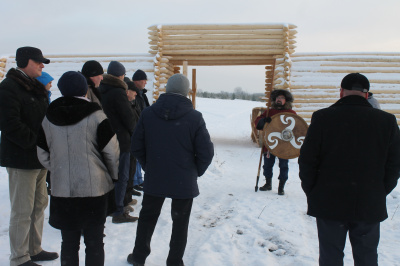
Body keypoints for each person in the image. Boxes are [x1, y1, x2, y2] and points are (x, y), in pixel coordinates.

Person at [298, 73, 400, 266]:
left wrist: (313, 190)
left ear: (341, 92)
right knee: (367, 257)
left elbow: (307, 160)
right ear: (366, 94)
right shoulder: (386, 121)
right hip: (369, 201)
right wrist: (379, 190)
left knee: (330, 257)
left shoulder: (322, 117)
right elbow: (394, 164)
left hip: (329, 201)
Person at [127, 74, 214, 266]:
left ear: (167, 89)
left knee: (147, 219)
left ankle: (139, 257)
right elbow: (206, 152)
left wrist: (150, 166)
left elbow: (136, 146)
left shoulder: (148, 113)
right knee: (180, 223)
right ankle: (174, 261)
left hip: (156, 176)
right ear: (186, 92)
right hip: (182, 179)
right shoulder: (194, 117)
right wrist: (193, 171)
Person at [37, 71, 119, 266]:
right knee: (95, 242)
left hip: (63, 190)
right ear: (84, 89)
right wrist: (110, 175)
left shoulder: (48, 118)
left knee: (69, 242)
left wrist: (59, 169)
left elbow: (42, 153)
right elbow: (112, 152)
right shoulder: (97, 116)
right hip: (95, 190)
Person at [0, 46, 58, 266]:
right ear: (25, 62)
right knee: (22, 210)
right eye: (39, 62)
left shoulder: (34, 87)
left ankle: (34, 248)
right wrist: (38, 145)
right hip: (21, 159)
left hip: (39, 159)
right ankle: (19, 257)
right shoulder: (9, 88)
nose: (42, 65)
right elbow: (10, 125)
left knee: (39, 205)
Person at [99, 61, 138, 223]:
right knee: (122, 176)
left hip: (107, 138)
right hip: (121, 140)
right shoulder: (118, 91)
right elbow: (128, 118)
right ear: (121, 75)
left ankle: (111, 207)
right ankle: (118, 211)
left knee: (110, 176)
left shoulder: (102, 89)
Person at [254, 89, 296, 195]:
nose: (279, 100)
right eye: (277, 98)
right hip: (270, 143)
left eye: (282, 98)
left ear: (286, 100)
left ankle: (281, 187)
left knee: (283, 165)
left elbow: (297, 128)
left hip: (284, 145)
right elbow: (258, 122)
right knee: (267, 165)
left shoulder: (291, 113)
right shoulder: (269, 112)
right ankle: (268, 184)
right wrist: (263, 121)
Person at [131, 69, 149, 191]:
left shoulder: (143, 95)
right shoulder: (133, 94)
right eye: (143, 80)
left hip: (142, 128)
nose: (145, 83)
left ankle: (139, 180)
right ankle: (135, 182)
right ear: (137, 81)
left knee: (140, 156)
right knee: (136, 155)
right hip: (136, 128)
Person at [125, 78, 142, 197]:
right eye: (133, 91)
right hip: (126, 142)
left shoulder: (133, 103)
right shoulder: (125, 105)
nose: (136, 93)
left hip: (132, 141)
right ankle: (124, 200)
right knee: (126, 172)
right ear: (127, 91)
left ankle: (129, 193)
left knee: (131, 169)